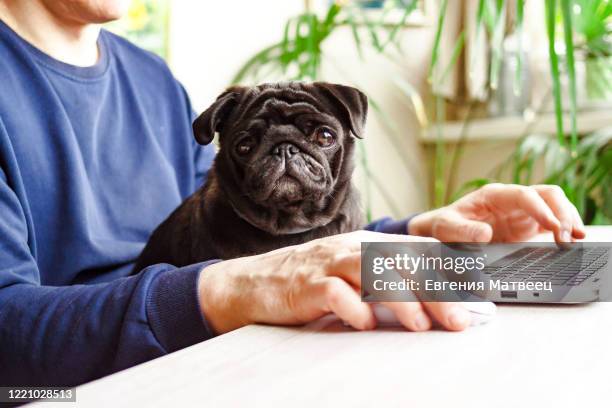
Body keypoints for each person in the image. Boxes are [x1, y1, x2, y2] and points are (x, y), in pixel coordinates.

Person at [0, 0, 586, 387]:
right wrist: (239, 286)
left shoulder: (151, 80)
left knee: (559, 291)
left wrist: (418, 233)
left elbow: (224, 231)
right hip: (64, 389)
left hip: (206, 360)